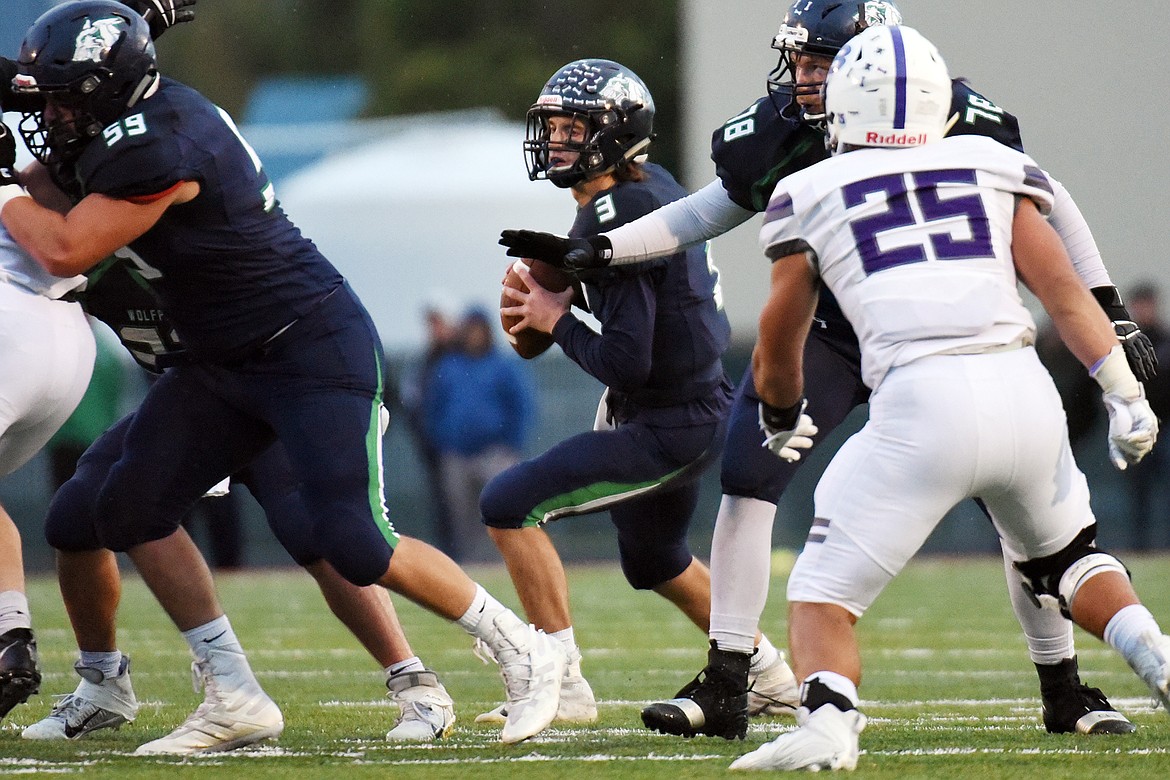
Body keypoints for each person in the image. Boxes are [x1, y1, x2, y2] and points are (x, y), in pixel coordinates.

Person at [499, 0, 1153, 739]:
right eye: (800, 59)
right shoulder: (780, 132)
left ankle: (1063, 685)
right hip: (841, 329)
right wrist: (604, 252)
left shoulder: (958, 115)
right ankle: (729, 679)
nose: (802, 77)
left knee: (1017, 507)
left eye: (819, 61)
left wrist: (1109, 310)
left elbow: (1048, 205)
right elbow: (711, 209)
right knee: (750, 471)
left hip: (939, 332)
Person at [1, 0, 564, 752]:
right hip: (219, 359)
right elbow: (42, 104)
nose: (56, 113)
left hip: (306, 348)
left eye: (71, 99)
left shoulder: (159, 142)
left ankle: (525, 650)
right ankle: (233, 693)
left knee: (354, 539)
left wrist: (5, 183)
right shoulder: (125, 112)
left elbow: (68, 245)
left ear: (109, 93)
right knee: (125, 508)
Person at [732, 25, 1166, 771]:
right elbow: (1062, 290)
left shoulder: (808, 188)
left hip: (919, 406)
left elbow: (781, 324)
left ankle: (831, 724)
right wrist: (1123, 390)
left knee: (820, 594)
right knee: (1070, 558)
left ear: (844, 102)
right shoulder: (990, 162)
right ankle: (1157, 657)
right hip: (1023, 391)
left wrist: (777, 409)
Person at [477, 58, 796, 728]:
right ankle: (765, 673)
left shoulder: (615, 213)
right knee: (654, 559)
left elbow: (626, 360)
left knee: (509, 503)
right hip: (689, 405)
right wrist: (563, 280)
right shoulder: (650, 186)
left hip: (670, 420)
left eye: (572, 128)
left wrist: (554, 317)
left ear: (614, 133)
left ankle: (560, 679)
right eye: (554, 127)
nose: (556, 141)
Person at [0, 0, 186, 727]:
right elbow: (50, 83)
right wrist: (132, 33)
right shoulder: (95, 119)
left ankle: (11, 637)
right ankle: (12, 632)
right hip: (66, 337)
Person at [423, 305, 535, 563]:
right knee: (462, 517)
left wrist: (511, 446)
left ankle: (502, 563)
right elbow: (433, 407)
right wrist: (442, 440)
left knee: (500, 511)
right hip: (456, 456)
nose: (474, 336)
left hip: (494, 454)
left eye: (478, 330)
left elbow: (522, 406)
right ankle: (471, 566)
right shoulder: (449, 366)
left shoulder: (502, 366)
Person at [399, 292, 461, 554]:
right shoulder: (426, 361)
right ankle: (455, 560)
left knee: (464, 512)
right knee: (445, 511)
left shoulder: (461, 357)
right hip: (434, 450)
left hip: (458, 450)